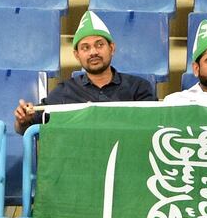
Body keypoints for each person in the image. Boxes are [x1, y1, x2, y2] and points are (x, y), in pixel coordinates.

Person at [13, 10, 156, 134]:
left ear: (112, 48)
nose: (93, 52)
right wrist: (23, 120)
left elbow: (156, 126)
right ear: (77, 55)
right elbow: (27, 128)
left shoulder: (138, 88)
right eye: (85, 48)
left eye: (99, 45)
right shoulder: (64, 92)